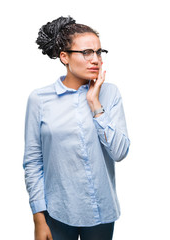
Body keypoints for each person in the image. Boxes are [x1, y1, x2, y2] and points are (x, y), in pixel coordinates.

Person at [24, 16, 130, 240]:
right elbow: (33, 161)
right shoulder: (39, 99)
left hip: (101, 213)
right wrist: (38, 217)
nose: (96, 60)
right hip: (58, 213)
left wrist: (95, 103)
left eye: (99, 52)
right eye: (86, 53)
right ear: (64, 57)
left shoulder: (109, 93)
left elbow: (120, 152)